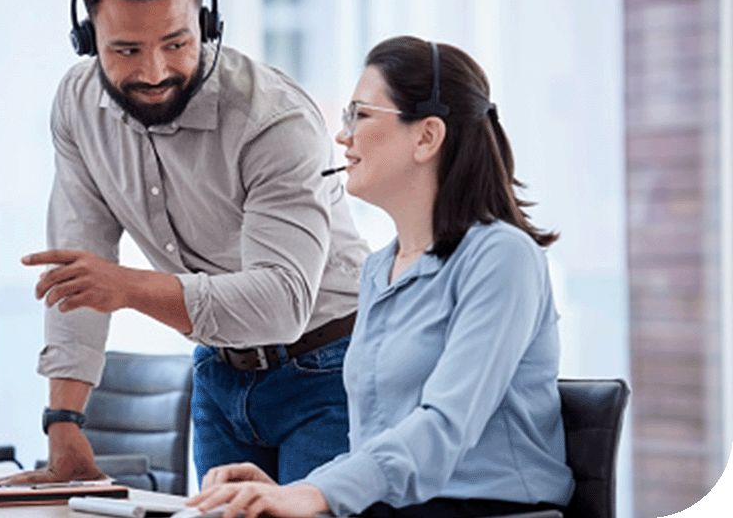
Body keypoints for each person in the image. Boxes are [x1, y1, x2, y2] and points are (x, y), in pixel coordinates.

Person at [0, 0, 368, 487]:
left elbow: (282, 301)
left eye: (177, 43)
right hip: (218, 373)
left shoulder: (273, 119)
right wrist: (65, 420)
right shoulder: (78, 105)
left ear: (206, 21)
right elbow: (80, 269)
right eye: (125, 50)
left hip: (328, 368)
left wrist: (125, 286)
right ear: (86, 37)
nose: (153, 72)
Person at [187, 36, 576, 517]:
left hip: (488, 509)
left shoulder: (502, 258)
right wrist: (293, 487)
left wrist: (313, 495)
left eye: (361, 115)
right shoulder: (378, 270)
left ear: (427, 136)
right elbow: (375, 443)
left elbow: (445, 425)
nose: (343, 136)